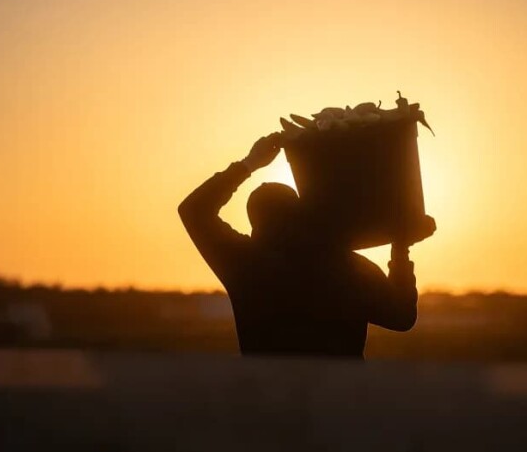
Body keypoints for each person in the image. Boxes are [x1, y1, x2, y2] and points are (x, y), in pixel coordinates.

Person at [178, 133, 421, 358]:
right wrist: (400, 249)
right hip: (341, 400)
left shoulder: (245, 265)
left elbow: (193, 210)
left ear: (255, 225)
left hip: (271, 399)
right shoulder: (346, 266)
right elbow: (401, 316)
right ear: (301, 214)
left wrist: (249, 163)